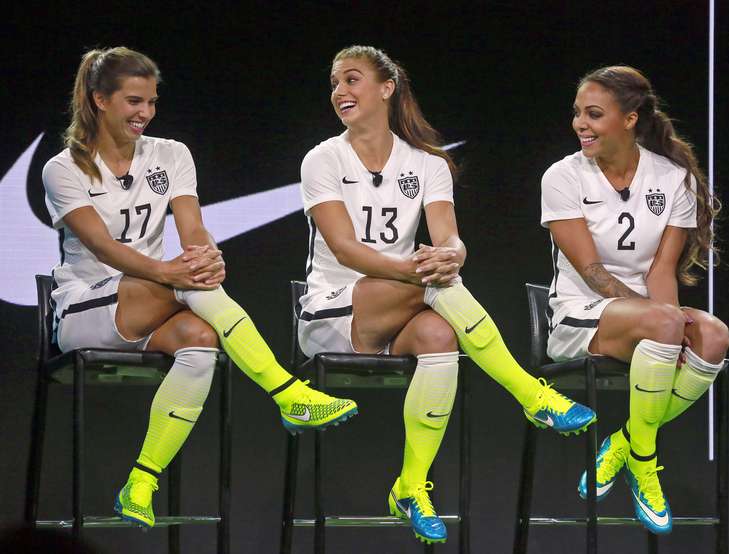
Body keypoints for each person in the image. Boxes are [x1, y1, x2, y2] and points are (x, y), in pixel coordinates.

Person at [42, 47, 357, 529]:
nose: (144, 113)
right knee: (187, 287)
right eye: (132, 101)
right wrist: (173, 274)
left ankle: (141, 482)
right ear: (99, 100)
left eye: (151, 102)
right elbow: (102, 247)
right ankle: (286, 391)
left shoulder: (172, 154)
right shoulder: (63, 168)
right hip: (84, 311)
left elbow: (192, 229)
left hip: (155, 301)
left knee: (202, 341)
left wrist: (206, 256)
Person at [299, 45, 596, 545]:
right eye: (335, 83)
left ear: (386, 88)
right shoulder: (323, 158)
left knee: (441, 336)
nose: (340, 92)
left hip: (408, 303)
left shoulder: (427, 164)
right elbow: (346, 250)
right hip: (334, 311)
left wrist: (451, 256)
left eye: (352, 80)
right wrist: (418, 271)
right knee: (438, 288)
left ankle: (411, 487)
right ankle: (529, 392)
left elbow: (449, 238)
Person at [540, 65, 729, 534]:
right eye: (578, 113)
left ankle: (623, 442)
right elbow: (592, 271)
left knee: (713, 335)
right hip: (579, 318)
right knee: (667, 324)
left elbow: (661, 271)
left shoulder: (673, 178)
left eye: (594, 114)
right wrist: (660, 317)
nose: (580, 124)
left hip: (647, 322)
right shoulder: (562, 177)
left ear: (629, 119)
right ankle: (644, 461)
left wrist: (666, 316)